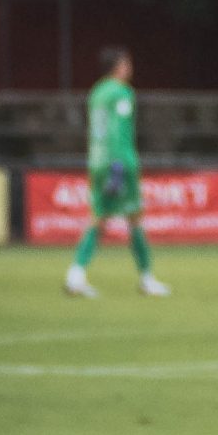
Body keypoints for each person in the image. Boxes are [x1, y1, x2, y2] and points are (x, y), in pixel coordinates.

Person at [65, 48, 170, 300]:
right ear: (118, 66)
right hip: (118, 160)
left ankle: (76, 275)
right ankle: (146, 278)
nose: (130, 68)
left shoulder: (97, 92)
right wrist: (119, 164)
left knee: (99, 216)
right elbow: (118, 130)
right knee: (134, 217)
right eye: (127, 63)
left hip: (97, 159)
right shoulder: (122, 93)